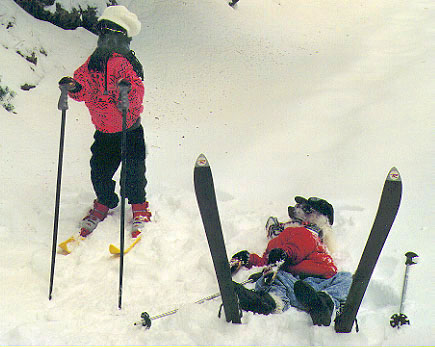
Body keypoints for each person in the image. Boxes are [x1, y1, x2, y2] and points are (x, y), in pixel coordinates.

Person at [59, 5, 151, 239]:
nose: (106, 38)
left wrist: (126, 91)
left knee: (133, 171)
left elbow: (137, 89)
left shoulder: (124, 63)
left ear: (121, 37)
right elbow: (83, 87)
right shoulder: (93, 63)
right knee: (99, 171)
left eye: (111, 33)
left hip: (128, 129)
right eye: (103, 33)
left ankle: (138, 205)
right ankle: (105, 200)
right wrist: (74, 87)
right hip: (104, 132)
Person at [231, 196, 352, 326]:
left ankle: (325, 304)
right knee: (274, 276)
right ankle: (270, 301)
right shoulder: (284, 236)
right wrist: (249, 259)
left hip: (321, 281)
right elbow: (268, 261)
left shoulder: (309, 232)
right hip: (298, 289)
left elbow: (301, 245)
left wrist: (284, 254)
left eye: (306, 209)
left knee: (345, 278)